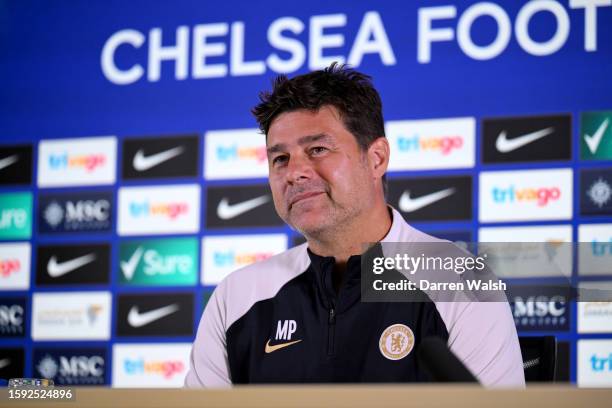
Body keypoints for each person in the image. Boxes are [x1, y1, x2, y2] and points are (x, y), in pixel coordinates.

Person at [185, 63, 525, 387]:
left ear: (376, 159)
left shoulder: (459, 280)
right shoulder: (237, 297)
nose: (294, 173)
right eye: (280, 159)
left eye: (317, 149)